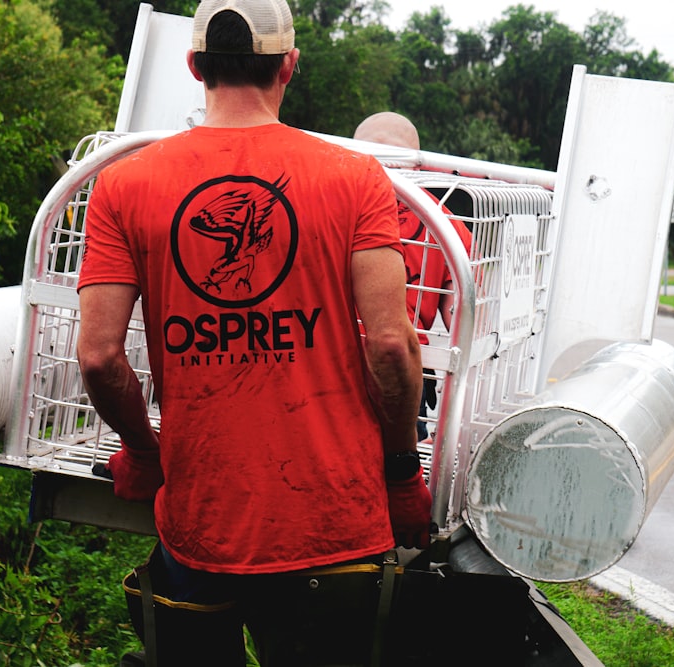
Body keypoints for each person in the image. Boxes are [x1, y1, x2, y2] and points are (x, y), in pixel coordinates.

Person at [75, 1, 428, 664]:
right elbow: (391, 345)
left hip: (202, 525)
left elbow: (97, 358)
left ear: (194, 65)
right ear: (288, 67)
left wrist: (144, 452)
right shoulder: (355, 179)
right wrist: (403, 471)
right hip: (336, 525)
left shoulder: (123, 185)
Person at [353, 112, 474, 441]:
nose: (386, 169)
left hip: (403, 374)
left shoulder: (447, 228)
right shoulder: (445, 224)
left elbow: (464, 322)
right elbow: (465, 323)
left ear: (417, 166)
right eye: (378, 157)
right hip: (349, 366)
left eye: (395, 159)